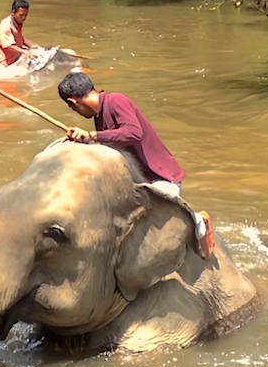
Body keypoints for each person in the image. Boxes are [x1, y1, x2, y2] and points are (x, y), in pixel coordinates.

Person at [57, 72, 217, 258]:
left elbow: (133, 133)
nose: (74, 111)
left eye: (72, 108)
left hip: (159, 177)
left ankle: (198, 220)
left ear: (73, 102)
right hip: (137, 180)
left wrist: (93, 136)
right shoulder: (99, 116)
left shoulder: (116, 101)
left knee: (159, 226)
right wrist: (82, 141)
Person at [0, 0, 39, 66]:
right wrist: (25, 52)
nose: (23, 18)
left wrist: (36, 46)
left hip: (18, 54)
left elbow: (20, 39)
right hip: (6, 60)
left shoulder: (18, 21)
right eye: (21, 15)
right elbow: (9, 46)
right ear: (13, 12)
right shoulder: (6, 25)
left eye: (25, 15)